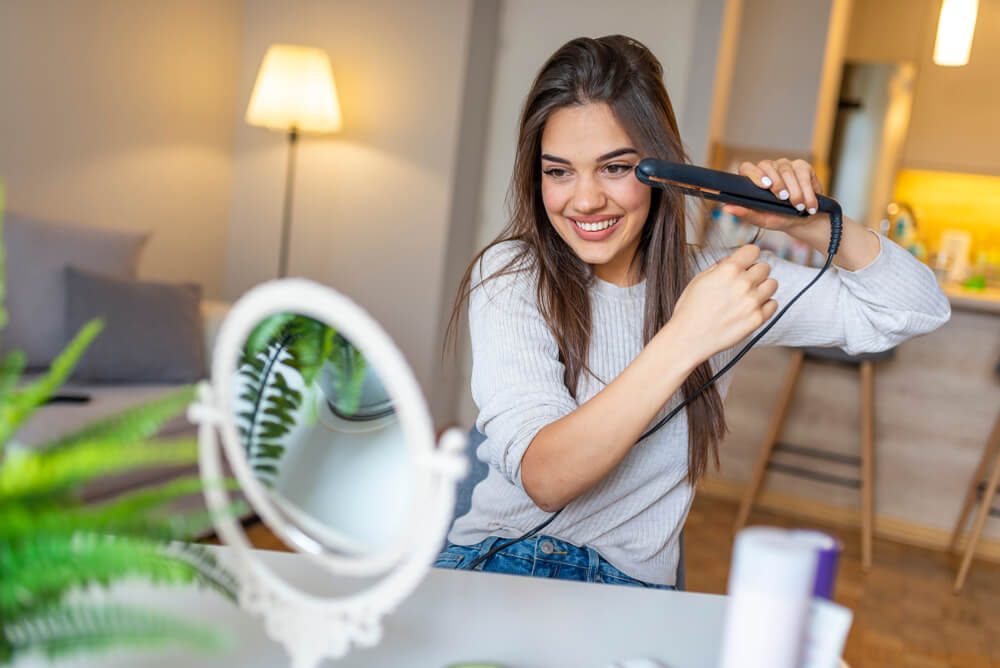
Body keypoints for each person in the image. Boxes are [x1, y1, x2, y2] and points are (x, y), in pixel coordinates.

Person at [435, 35, 950, 590]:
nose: (583, 201)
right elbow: (547, 477)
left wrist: (810, 222)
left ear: (663, 171)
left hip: (632, 589)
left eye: (614, 168)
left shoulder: (720, 281)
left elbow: (915, 309)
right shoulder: (513, 274)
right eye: (558, 171)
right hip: (499, 565)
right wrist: (687, 336)